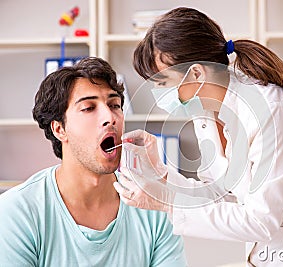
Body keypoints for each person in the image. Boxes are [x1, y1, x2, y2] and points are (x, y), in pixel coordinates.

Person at [113, 7, 283, 267]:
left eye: (162, 82)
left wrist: (167, 203)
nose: (157, 92)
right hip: (270, 253)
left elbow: (260, 220)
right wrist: (162, 175)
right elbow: (220, 192)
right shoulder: (204, 110)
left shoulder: (272, 110)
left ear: (196, 73)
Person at [0, 57, 187, 267]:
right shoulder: (17, 213)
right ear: (59, 129)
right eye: (89, 108)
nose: (110, 117)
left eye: (114, 105)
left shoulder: (153, 206)